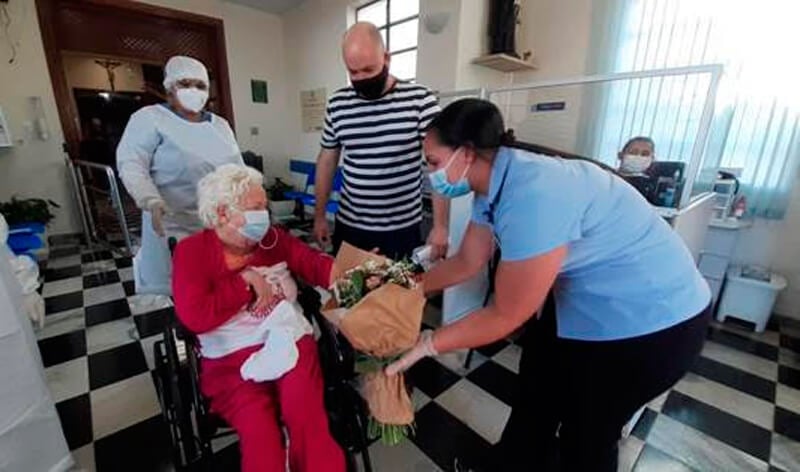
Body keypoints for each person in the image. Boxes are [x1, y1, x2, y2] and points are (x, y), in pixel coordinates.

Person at [386, 99, 711, 471]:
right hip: (586, 302)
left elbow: (505, 314)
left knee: (586, 432)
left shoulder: (534, 191)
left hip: (651, 322)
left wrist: (429, 343)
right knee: (536, 394)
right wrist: (407, 289)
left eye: (432, 161)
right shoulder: (492, 183)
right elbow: (467, 262)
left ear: (467, 153)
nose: (431, 175)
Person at [172, 164, 345, 472]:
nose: (264, 216)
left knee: (306, 415)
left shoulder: (272, 239)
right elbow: (194, 316)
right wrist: (244, 283)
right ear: (223, 213)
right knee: (259, 433)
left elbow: (314, 263)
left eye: (265, 207)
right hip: (231, 361)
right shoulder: (191, 252)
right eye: (256, 208)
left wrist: (356, 274)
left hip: (288, 340)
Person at [313, 22, 447, 260]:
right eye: (353, 72)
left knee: (398, 295)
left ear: (386, 58)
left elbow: (439, 165)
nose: (361, 78)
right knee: (350, 294)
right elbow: (327, 160)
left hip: (401, 230)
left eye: (368, 69)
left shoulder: (420, 101)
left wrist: (440, 226)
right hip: (350, 226)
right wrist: (320, 215)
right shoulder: (337, 103)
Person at [117, 55, 242, 294]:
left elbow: (237, 170)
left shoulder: (220, 125)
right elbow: (132, 163)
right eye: (185, 84)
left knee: (216, 283)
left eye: (200, 85)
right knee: (182, 287)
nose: (193, 91)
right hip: (170, 222)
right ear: (169, 89)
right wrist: (149, 199)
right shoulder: (150, 119)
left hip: (217, 222)